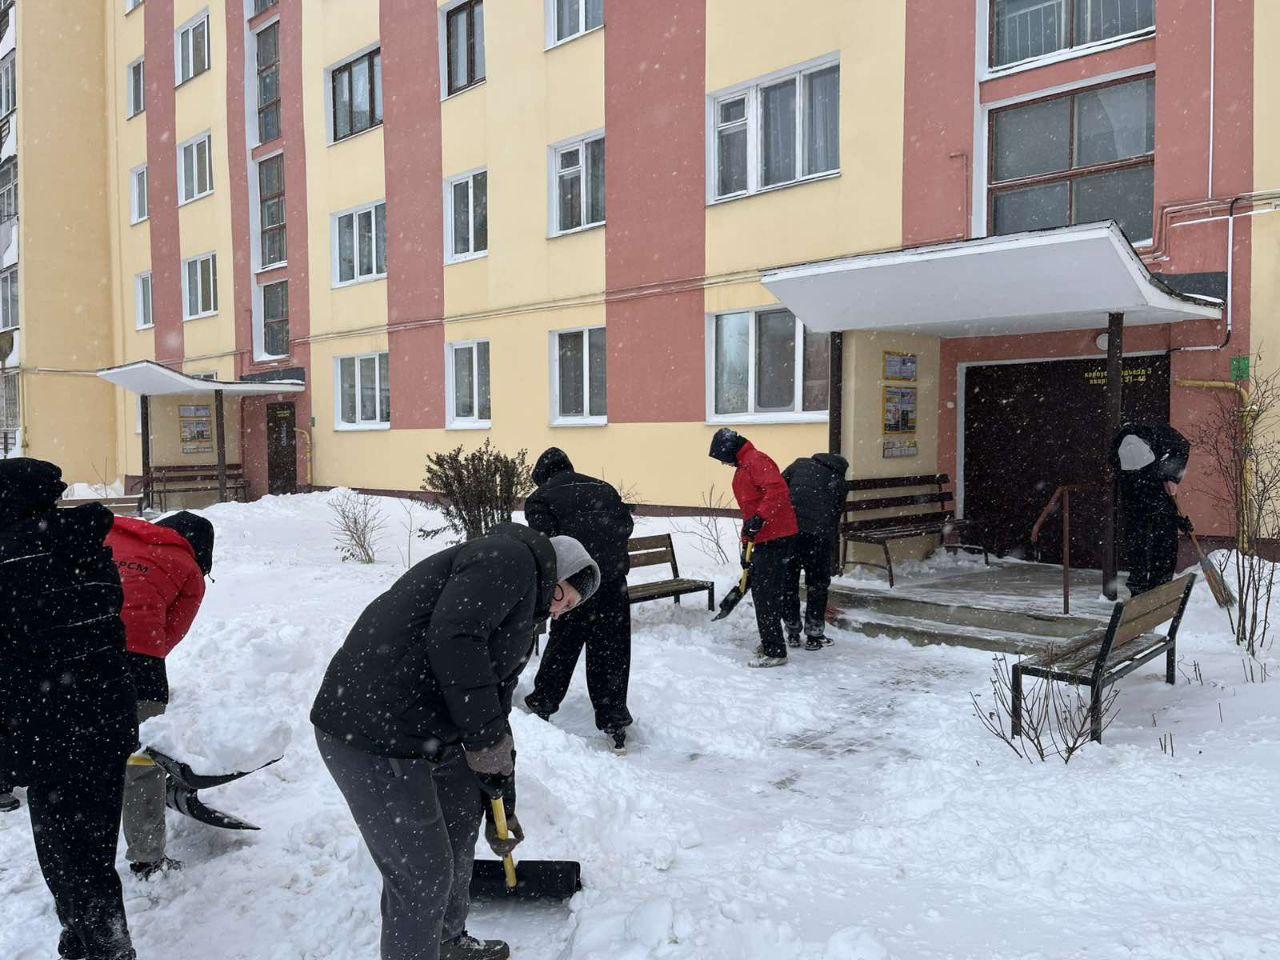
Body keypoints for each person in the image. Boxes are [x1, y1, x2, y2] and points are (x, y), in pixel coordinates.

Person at [311, 523, 599, 960]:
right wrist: (482, 741)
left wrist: (501, 791)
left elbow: (493, 703)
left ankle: (446, 942)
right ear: (555, 573)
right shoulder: (510, 559)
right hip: (374, 728)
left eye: (568, 608)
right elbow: (454, 639)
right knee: (422, 874)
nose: (559, 611)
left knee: (461, 815)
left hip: (424, 725)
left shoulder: (523, 613)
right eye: (563, 596)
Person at [0, 459, 138, 960]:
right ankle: (82, 939)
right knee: (90, 846)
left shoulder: (12, 559)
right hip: (102, 715)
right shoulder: (85, 545)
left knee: (67, 852)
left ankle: (106, 948)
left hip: (46, 725)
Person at [107, 509, 215, 879]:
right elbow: (166, 636)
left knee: (81, 756)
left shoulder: (113, 537)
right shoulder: (189, 569)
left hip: (78, 652)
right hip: (139, 660)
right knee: (142, 759)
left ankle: (81, 865)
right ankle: (147, 858)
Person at [522, 448, 636, 751]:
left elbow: (547, 546)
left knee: (563, 648)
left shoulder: (541, 498)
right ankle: (614, 723)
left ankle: (543, 704)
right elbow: (626, 526)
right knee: (612, 652)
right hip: (613, 584)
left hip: (576, 585)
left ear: (542, 476)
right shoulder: (603, 489)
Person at [708, 428, 799, 668]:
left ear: (729, 450)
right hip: (764, 538)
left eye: (722, 458)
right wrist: (746, 542)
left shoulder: (756, 461)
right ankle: (772, 642)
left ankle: (775, 650)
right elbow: (750, 511)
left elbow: (778, 491)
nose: (723, 463)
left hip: (776, 537)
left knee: (765, 594)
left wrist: (760, 518)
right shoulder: (744, 465)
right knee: (764, 591)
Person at [1111, 422, 1192, 596]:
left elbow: (1182, 447)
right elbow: (1116, 469)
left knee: (1164, 536)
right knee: (1136, 538)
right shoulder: (1117, 451)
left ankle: (1160, 587)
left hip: (1157, 483)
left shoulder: (1162, 436)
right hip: (1133, 487)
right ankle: (1137, 588)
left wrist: (1171, 477)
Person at [781, 452, 850, 650]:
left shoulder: (799, 464)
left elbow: (779, 489)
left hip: (791, 533)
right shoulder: (839, 481)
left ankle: (792, 631)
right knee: (817, 585)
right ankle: (814, 635)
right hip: (818, 538)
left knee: (789, 583)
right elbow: (835, 514)